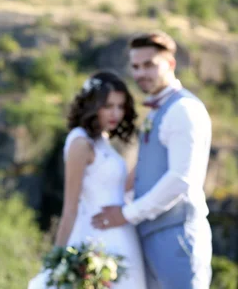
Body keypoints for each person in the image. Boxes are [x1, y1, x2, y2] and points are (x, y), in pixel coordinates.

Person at [92, 31, 212, 288]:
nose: (140, 73)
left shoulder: (183, 110)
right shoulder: (157, 113)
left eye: (149, 65)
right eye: (135, 66)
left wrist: (127, 214)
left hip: (176, 237)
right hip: (151, 237)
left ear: (170, 63)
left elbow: (181, 180)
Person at [29, 70, 147, 289]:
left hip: (122, 236)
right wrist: (56, 260)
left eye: (121, 107)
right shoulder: (80, 143)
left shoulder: (103, 139)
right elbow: (70, 208)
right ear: (92, 105)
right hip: (97, 240)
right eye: (108, 106)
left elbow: (122, 188)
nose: (116, 114)